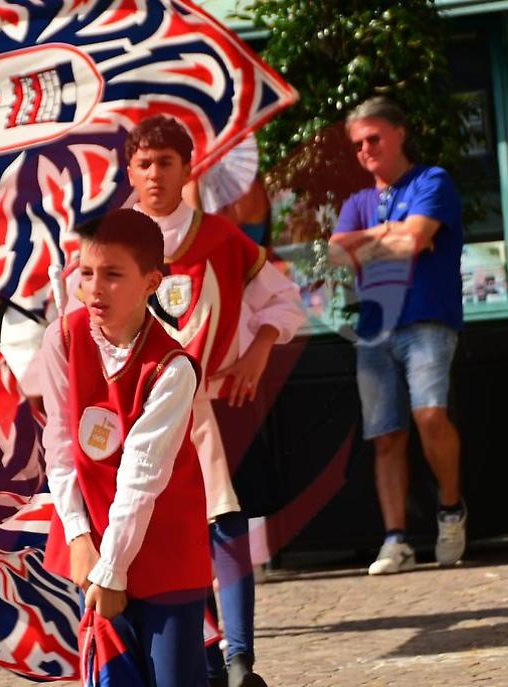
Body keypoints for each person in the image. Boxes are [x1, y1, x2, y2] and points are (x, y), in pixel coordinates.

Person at [124, 115, 305, 687]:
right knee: (164, 531)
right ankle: (206, 647)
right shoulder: (115, 244)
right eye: (144, 164)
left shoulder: (223, 240)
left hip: (218, 404)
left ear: (188, 169)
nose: (155, 175)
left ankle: (240, 658)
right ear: (130, 171)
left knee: (225, 524)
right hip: (146, 414)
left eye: (167, 163)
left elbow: (285, 300)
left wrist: (258, 351)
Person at [39, 209, 212, 687]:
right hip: (92, 546)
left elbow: (142, 478)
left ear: (151, 282)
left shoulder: (172, 368)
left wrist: (113, 572)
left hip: (163, 552)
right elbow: (58, 446)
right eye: (87, 273)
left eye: (113, 275)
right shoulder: (63, 338)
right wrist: (78, 538)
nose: (95, 289)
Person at [328, 96, 466, 576]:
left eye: (374, 138)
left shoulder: (432, 180)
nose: (366, 150)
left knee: (430, 415)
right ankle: (396, 539)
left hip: (427, 319)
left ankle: (451, 510)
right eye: (358, 144)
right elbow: (338, 255)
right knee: (385, 436)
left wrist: (380, 241)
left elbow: (414, 241)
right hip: (373, 330)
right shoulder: (356, 202)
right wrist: (393, 232)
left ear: (399, 133)